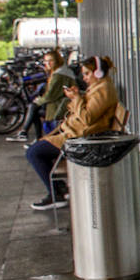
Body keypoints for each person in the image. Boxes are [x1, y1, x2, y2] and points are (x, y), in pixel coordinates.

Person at [24, 55, 120, 210]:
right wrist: (78, 97)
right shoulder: (100, 87)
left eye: (87, 74)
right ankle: (58, 190)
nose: (84, 77)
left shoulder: (103, 90)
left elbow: (87, 118)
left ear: (98, 73)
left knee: (33, 153)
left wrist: (76, 98)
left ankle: (56, 194)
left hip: (82, 138)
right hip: (78, 133)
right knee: (37, 149)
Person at [8, 49, 77, 143]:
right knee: (34, 110)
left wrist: (38, 100)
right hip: (60, 103)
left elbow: (51, 95)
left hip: (60, 106)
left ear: (57, 61)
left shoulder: (59, 75)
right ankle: (34, 137)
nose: (47, 63)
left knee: (33, 106)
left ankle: (26, 134)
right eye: (46, 61)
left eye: (51, 61)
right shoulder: (60, 72)